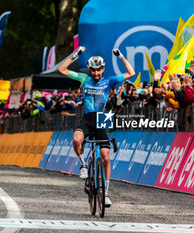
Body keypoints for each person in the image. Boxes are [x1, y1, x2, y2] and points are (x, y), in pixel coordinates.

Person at [58, 46, 135, 207]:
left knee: (106, 157)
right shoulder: (84, 78)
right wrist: (76, 54)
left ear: (103, 69)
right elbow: (62, 69)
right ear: (90, 69)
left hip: (103, 118)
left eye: (98, 70)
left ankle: (106, 193)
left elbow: (131, 73)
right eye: (93, 70)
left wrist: (120, 55)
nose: (95, 73)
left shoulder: (109, 81)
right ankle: (84, 165)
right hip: (87, 117)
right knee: (76, 140)